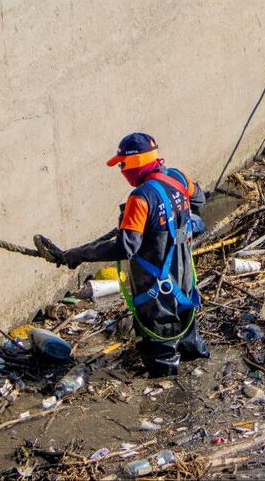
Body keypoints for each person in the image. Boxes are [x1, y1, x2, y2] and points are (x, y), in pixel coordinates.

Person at [34, 132, 209, 376]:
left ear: (136, 162)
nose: (122, 171)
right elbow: (198, 200)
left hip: (156, 289)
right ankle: (196, 362)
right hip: (185, 279)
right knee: (186, 325)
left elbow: (125, 247)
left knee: (160, 347)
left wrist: (79, 255)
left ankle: (166, 379)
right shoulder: (178, 178)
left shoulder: (140, 198)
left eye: (122, 165)